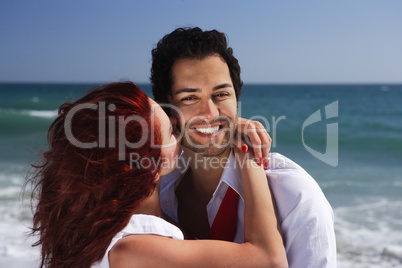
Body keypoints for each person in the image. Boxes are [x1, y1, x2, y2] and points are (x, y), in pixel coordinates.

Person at [29, 81, 287, 267]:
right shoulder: (132, 249)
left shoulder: (115, 232)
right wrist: (246, 152)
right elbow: (270, 259)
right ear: (148, 164)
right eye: (171, 132)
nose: (180, 132)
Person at [151, 27, 337, 267]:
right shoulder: (159, 189)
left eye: (221, 94)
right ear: (167, 111)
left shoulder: (294, 197)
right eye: (189, 98)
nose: (210, 113)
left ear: (236, 100)